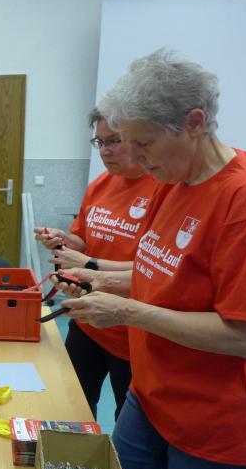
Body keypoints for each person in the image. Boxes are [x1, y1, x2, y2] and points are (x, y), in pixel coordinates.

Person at [59, 49, 246, 469]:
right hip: (150, 395)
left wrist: (126, 311)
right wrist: (98, 277)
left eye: (144, 143)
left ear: (194, 123)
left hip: (213, 420)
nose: (133, 158)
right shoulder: (172, 182)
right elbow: (157, 271)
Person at [33, 108, 157, 421]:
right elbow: (84, 240)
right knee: (72, 407)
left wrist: (88, 263)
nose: (105, 151)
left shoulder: (163, 189)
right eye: (99, 142)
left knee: (126, 419)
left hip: (131, 334)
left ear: (140, 139)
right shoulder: (102, 184)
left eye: (114, 141)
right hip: (87, 320)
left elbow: (153, 269)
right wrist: (65, 240)